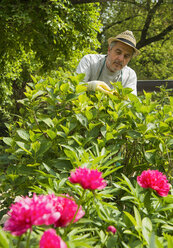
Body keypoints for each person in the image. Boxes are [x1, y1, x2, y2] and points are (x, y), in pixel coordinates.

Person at [76, 30, 140, 96]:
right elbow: (75, 87)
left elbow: (130, 102)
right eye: (118, 52)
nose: (121, 59)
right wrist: (91, 86)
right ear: (109, 50)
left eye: (126, 56)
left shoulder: (130, 75)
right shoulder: (89, 61)